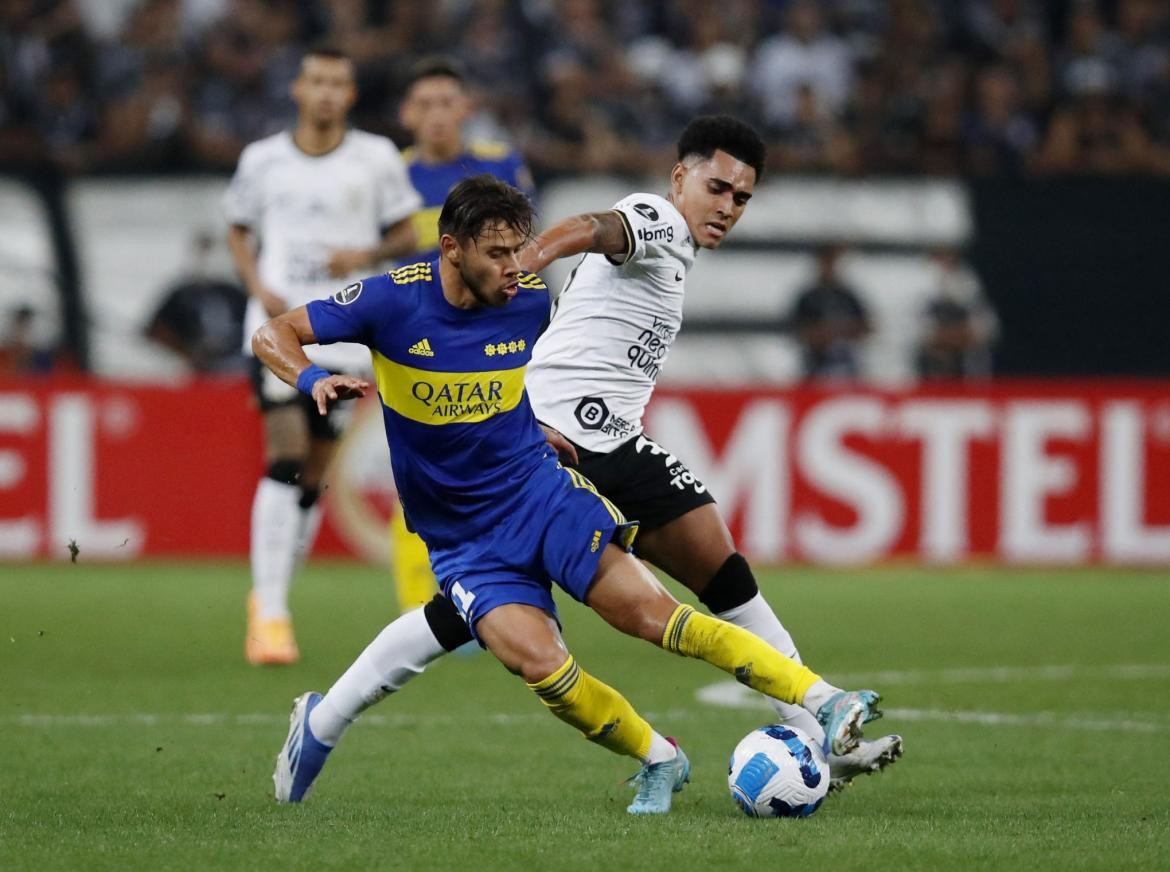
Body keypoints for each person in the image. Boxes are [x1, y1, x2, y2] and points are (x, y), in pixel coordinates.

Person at [269, 116, 902, 798]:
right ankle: (810, 716)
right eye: (717, 187)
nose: (727, 207)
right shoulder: (655, 219)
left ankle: (324, 719)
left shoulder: (601, 276)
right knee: (688, 591)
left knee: (492, 609)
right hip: (583, 442)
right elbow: (592, 227)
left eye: (741, 199)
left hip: (570, 436)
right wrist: (527, 260)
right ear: (680, 177)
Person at [224, 44, 421, 665]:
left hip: (345, 336)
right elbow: (237, 227)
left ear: (351, 94)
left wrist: (359, 260)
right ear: (298, 90)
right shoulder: (263, 160)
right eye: (318, 81)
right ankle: (272, 611)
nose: (328, 93)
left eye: (339, 82)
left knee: (313, 473)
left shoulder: (376, 157)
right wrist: (259, 290)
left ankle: (274, 591)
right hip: (279, 330)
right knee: (284, 455)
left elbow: (406, 232)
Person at [390, 56, 536, 613]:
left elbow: (523, 240)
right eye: (424, 104)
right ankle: (421, 606)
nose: (436, 116)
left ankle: (494, 587)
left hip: (490, 337)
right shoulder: (389, 173)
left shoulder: (499, 165)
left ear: (466, 109)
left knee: (502, 465)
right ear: (407, 113)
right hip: (416, 344)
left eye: (447, 103)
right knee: (417, 473)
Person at [787, 243, 872, 382]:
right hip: (816, 368)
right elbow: (801, 332)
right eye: (827, 262)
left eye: (834, 263)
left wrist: (832, 331)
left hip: (849, 367)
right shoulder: (808, 297)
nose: (831, 268)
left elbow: (866, 327)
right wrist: (836, 332)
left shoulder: (848, 296)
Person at [915, 247, 998, 380]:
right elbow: (919, 333)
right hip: (934, 347)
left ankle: (978, 392)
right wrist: (943, 339)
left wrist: (958, 336)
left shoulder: (969, 285)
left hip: (963, 346)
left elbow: (987, 328)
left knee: (977, 350)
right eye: (940, 257)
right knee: (935, 352)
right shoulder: (922, 288)